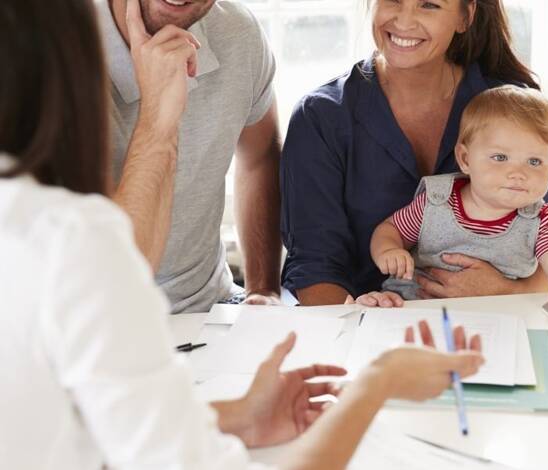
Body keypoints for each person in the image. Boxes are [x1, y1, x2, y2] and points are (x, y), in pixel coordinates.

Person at [0, 1, 484, 469]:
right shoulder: (71, 242)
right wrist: (378, 383)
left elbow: (99, 432)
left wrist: (243, 395)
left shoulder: (39, 230)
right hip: (138, 336)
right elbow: (118, 291)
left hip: (207, 322)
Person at [280, 0, 548, 307]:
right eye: (393, 0)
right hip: (370, 317)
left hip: (504, 320)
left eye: (429, 5)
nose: (404, 21)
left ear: (465, 16)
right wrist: (363, 320)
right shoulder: (321, 116)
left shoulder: (514, 111)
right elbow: (315, 267)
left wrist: (504, 291)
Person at [97, 0, 283, 312]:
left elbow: (260, 157)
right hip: (103, 317)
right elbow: (114, 273)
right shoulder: (49, 52)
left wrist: (264, 289)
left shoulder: (238, 32)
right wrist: (158, 114)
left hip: (213, 304)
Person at [370, 86, 548, 309]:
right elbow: (391, 230)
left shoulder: (539, 222)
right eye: (500, 157)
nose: (518, 173)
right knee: (383, 307)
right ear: (465, 159)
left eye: (534, 161)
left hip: (496, 318)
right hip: (413, 307)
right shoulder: (437, 202)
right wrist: (389, 251)